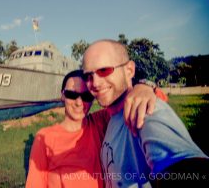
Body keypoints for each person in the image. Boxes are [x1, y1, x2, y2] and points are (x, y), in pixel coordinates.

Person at [82, 39, 209, 187]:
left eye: (104, 70)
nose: (95, 83)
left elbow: (186, 166)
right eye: (88, 76)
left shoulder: (146, 110)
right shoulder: (111, 117)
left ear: (129, 70)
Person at [25, 69, 160, 188]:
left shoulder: (100, 122)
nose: (79, 102)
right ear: (62, 95)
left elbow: (146, 101)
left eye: (86, 96)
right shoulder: (45, 137)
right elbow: (35, 184)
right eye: (72, 95)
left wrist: (144, 87)